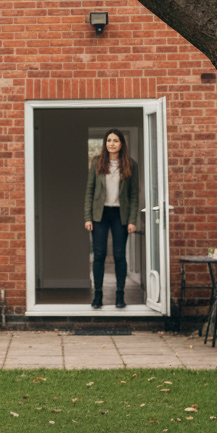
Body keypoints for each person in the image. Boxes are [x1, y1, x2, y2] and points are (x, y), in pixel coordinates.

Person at [83, 129, 141, 309]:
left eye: (115, 141)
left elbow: (134, 195)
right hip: (100, 214)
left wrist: (132, 220)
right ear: (105, 143)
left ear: (122, 144)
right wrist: (88, 217)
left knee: (119, 255)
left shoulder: (131, 164)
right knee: (99, 254)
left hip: (120, 215)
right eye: (109, 140)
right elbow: (89, 191)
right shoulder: (96, 162)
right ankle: (98, 295)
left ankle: (120, 295)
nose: (112, 144)